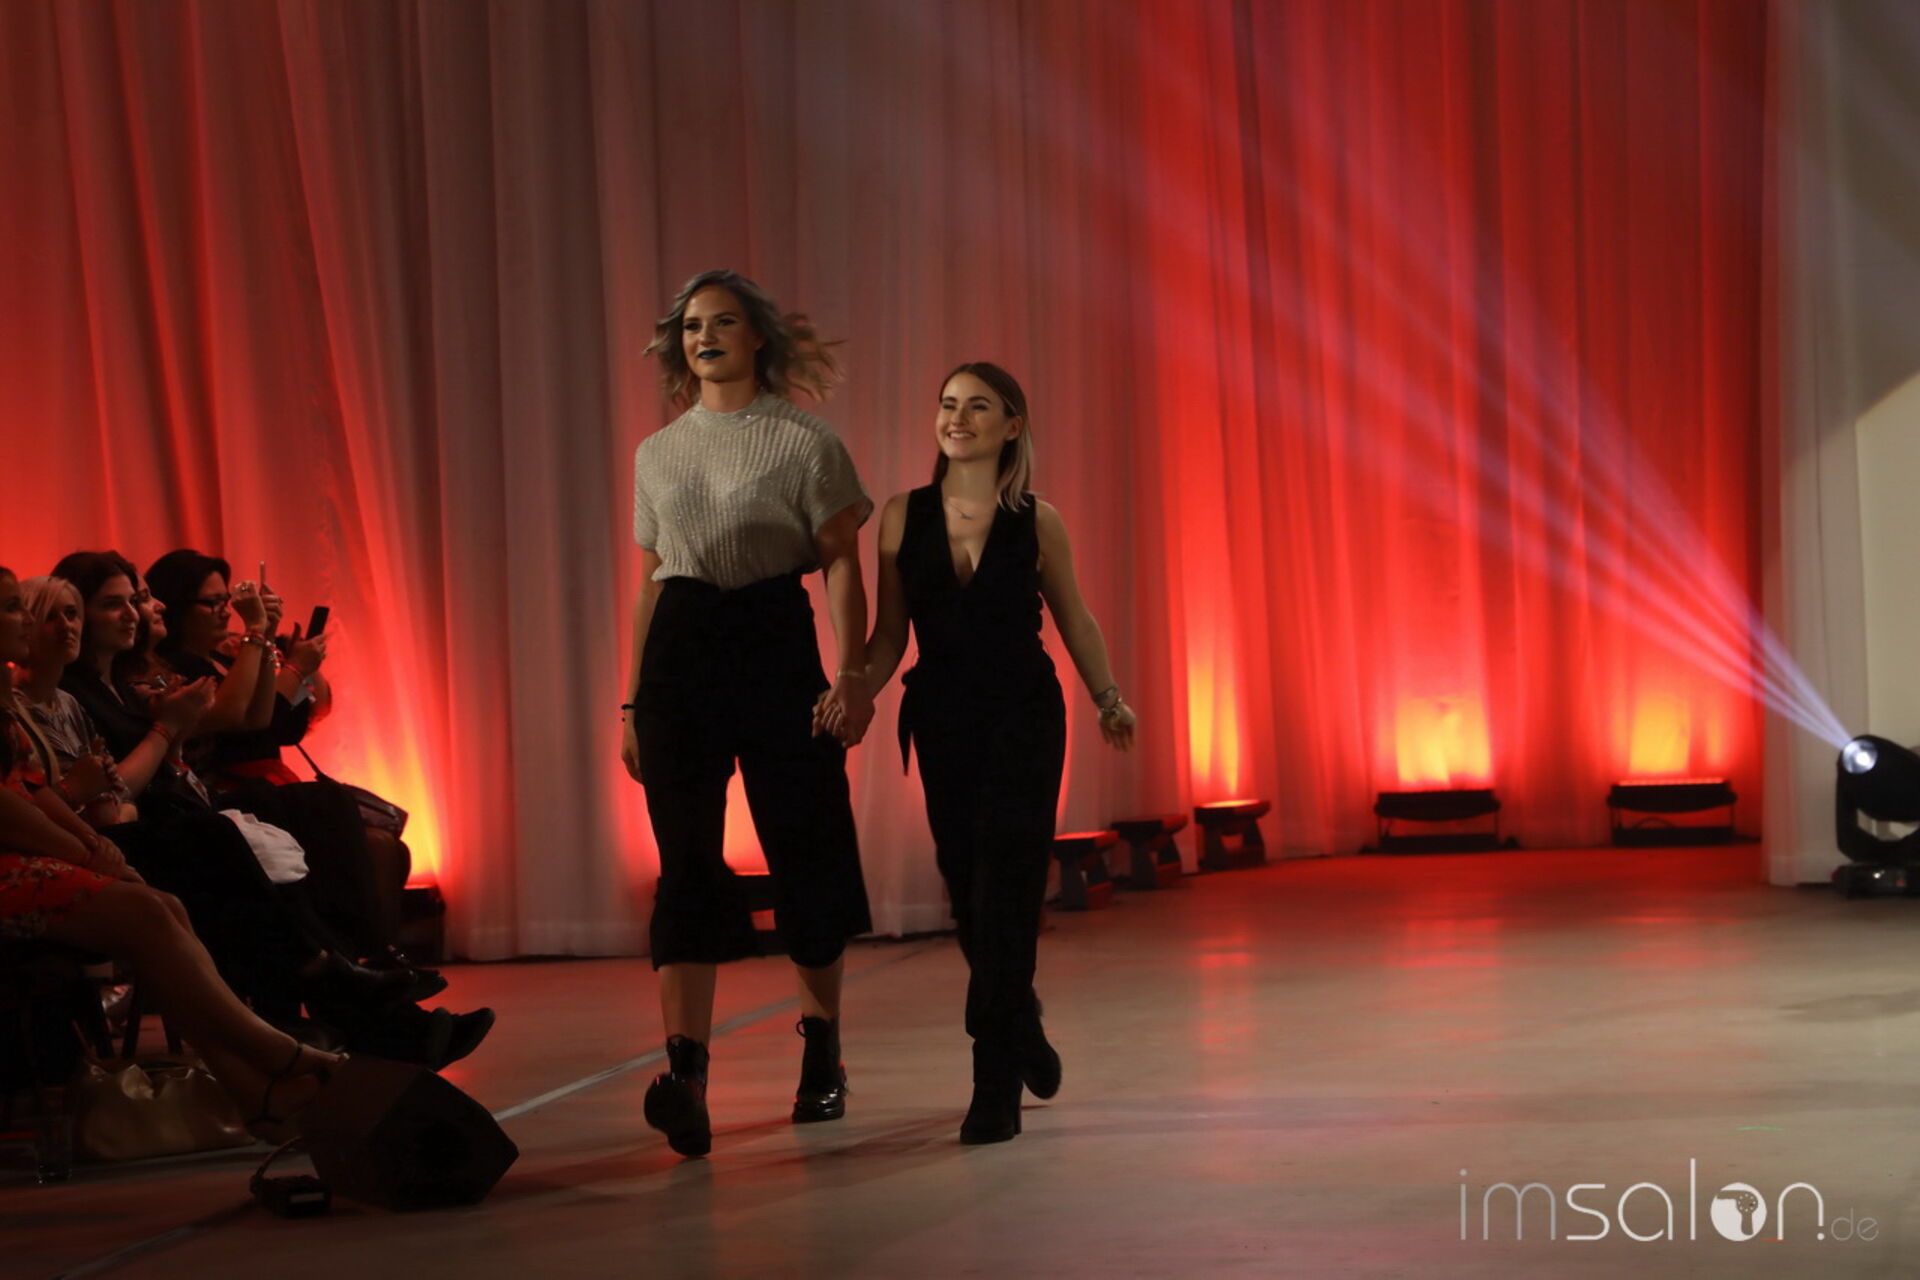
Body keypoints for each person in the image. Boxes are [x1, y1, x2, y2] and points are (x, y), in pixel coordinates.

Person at [842, 361, 1136, 1144]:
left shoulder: (1038, 520)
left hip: (1023, 716)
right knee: (968, 893)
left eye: (978, 406)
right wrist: (854, 689)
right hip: (941, 718)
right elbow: (888, 635)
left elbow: (1075, 618)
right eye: (948, 404)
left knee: (1008, 885)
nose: (957, 418)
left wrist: (1108, 697)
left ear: (1012, 426)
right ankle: (1021, 1022)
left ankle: (993, 1079)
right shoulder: (901, 515)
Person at [622, 268, 874, 1157]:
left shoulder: (804, 440)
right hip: (682, 651)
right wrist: (631, 702)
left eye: (723, 322)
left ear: (758, 335)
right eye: (693, 326)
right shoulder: (658, 453)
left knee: (805, 844)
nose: (705, 337)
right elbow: (652, 583)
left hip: (772, 637)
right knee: (685, 860)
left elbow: (841, 562)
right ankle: (685, 1074)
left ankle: (822, 1048)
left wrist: (852, 675)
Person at [0, 564, 340, 1141]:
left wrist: (90, 840)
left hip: (48, 847)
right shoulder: (53, 698)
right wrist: (87, 844)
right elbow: (20, 805)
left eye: (71, 613)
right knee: (176, 876)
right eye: (17, 610)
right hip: (17, 862)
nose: (35, 624)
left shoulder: (60, 701)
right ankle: (279, 1050)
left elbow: (34, 791)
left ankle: (258, 1082)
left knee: (170, 901)